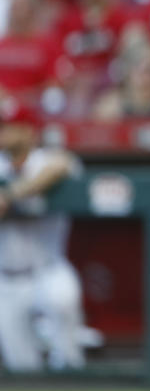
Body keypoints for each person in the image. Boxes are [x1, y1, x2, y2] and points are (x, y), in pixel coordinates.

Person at [0, 99, 91, 371]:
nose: (3, 132)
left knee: (63, 303)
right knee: (21, 365)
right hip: (6, 278)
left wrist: (13, 194)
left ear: (29, 131)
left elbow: (64, 165)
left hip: (48, 270)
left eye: (9, 127)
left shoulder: (47, 160)